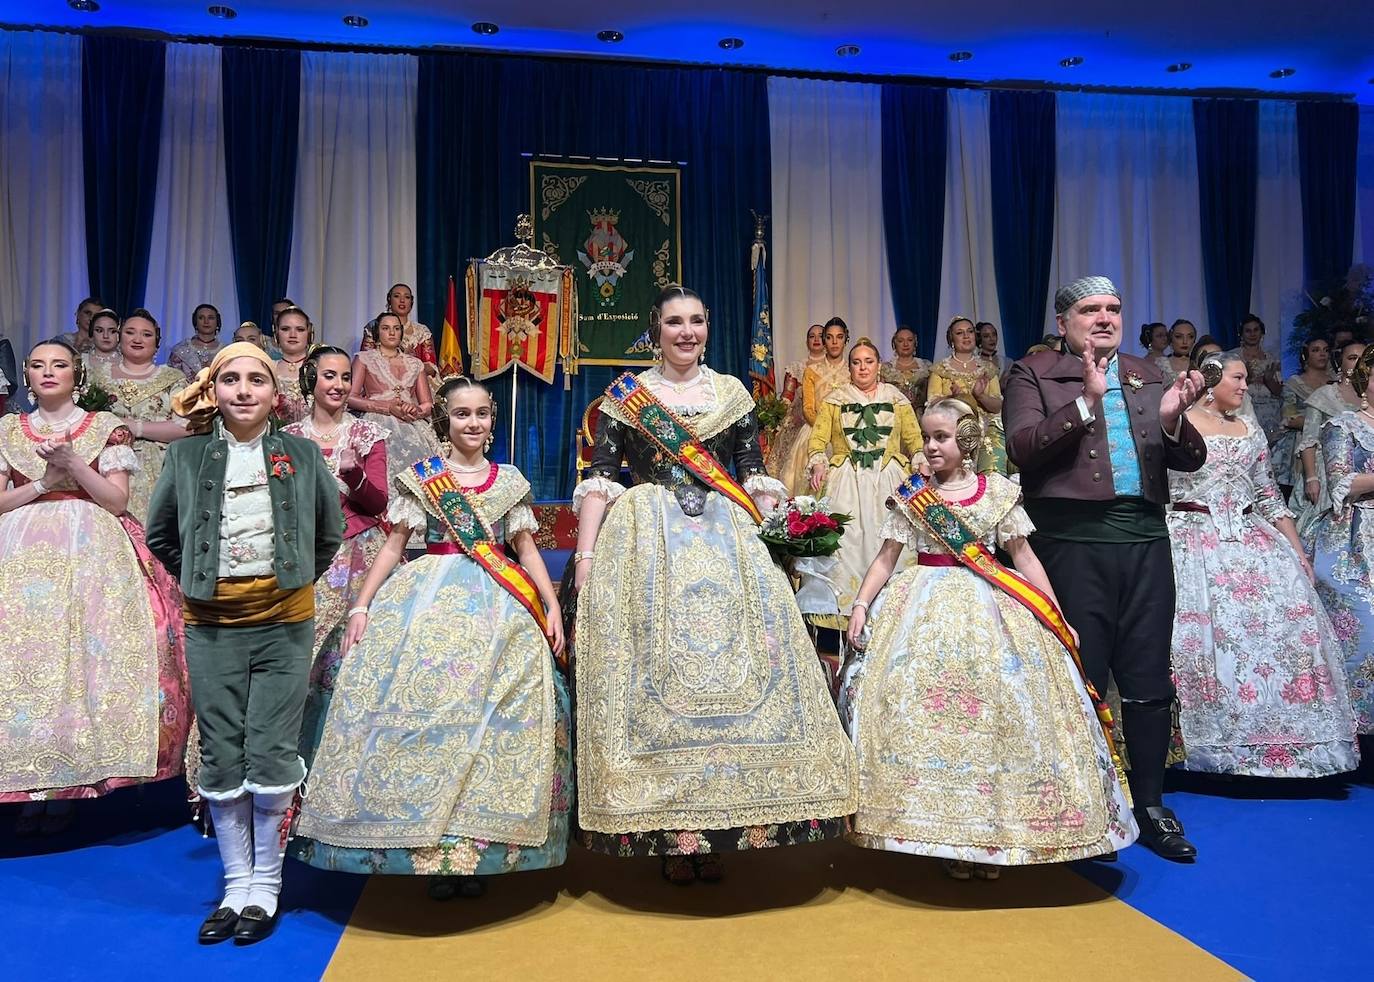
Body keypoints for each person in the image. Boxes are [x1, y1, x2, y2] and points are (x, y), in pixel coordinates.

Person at [572, 285, 857, 884]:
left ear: (708, 327)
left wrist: (785, 531)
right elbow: (601, 478)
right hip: (647, 543)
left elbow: (751, 473)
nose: (686, 332)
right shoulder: (628, 396)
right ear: (656, 330)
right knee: (659, 680)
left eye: (697, 320)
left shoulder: (731, 393)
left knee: (735, 671)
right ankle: (673, 832)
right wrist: (588, 554)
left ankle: (726, 820)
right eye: (674, 322)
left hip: (727, 542)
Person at [293, 376, 568, 899]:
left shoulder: (508, 479)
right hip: (428, 594)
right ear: (445, 421)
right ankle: (427, 849)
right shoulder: (423, 478)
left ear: (491, 421)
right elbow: (394, 548)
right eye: (462, 414)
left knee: (491, 719)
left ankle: (478, 846)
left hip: (497, 603)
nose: (473, 423)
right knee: (428, 715)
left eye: (482, 414)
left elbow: (526, 550)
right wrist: (362, 604)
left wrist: (551, 604)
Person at [841, 398, 1136, 878]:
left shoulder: (997, 493)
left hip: (991, 609)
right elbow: (886, 558)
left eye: (942, 438)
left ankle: (995, 835)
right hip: (921, 610)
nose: (931, 446)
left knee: (999, 714)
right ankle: (945, 834)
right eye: (928, 437)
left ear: (969, 442)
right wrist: (860, 604)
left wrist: (1056, 614)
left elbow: (1024, 558)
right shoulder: (913, 493)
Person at [1003, 275, 1207, 861]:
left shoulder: (1148, 372)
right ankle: (1086, 804)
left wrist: (1171, 420)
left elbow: (1184, 459)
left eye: (1113, 309)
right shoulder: (1034, 371)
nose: (1104, 318)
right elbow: (1021, 448)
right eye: (1090, 309)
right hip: (1070, 543)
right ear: (1065, 322)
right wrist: (1086, 402)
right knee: (1081, 675)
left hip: (1145, 540)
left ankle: (1150, 803)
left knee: (1147, 677)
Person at [145, 342, 342, 945]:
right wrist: (207, 584)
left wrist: (284, 583)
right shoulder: (183, 457)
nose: (244, 390)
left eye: (256, 379)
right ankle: (235, 885)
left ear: (273, 392)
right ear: (214, 389)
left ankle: (268, 886)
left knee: (272, 745)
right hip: (211, 625)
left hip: (285, 622)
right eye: (230, 379)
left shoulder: (303, 454)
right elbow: (161, 534)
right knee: (223, 748)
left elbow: (327, 535)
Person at [0, 340, 190, 833]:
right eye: (38, 365)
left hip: (91, 548)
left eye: (58, 364)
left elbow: (116, 501)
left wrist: (75, 466)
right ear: (25, 374)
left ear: (76, 374)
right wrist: (44, 481)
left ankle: (73, 778)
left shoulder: (105, 428)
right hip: (20, 549)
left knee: (85, 655)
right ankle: (26, 783)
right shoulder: (7, 429)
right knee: (26, 657)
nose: (47, 372)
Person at [1167, 352, 1357, 775]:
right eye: (1237, 378)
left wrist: (1296, 553)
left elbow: (1269, 495)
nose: (1245, 386)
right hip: (1194, 538)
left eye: (1246, 379)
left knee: (1287, 624)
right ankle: (1207, 745)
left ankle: (1288, 743)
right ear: (1211, 380)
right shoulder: (1180, 425)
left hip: (1252, 539)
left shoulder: (1248, 429)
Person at [282, 346, 390, 769]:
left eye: (346, 377)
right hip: (307, 555)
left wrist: (354, 473)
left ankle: (359, 758)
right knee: (301, 656)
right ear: (312, 379)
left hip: (361, 551)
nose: (339, 385)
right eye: (330, 376)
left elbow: (379, 500)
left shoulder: (368, 436)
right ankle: (299, 758)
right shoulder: (288, 437)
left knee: (361, 655)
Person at [807, 337, 923, 629]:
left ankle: (893, 616)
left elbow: (913, 439)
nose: (862, 368)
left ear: (878, 365)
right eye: (856, 362)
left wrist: (920, 460)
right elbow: (818, 440)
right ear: (849, 367)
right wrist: (819, 461)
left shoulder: (896, 397)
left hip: (889, 480)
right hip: (847, 481)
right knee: (848, 542)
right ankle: (845, 617)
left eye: (868, 361)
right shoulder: (836, 399)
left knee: (890, 539)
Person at [1309, 344, 1374, 735]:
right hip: (1357, 538)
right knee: (1366, 633)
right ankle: (1360, 734)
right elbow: (1341, 483)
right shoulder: (1344, 425)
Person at [93, 310, 192, 524]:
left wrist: (134, 428)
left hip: (158, 468)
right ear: (120, 337)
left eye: (146, 334)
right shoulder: (97, 375)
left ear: (157, 341)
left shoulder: (173, 378)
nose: (137, 339)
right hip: (106, 466)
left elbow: (186, 427)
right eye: (130, 332)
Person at [349, 311, 439, 486]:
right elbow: (351, 397)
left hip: (412, 423)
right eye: (385, 328)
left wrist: (417, 410)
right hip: (376, 422)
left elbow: (428, 403)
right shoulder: (364, 359)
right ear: (377, 333)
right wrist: (386, 407)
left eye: (396, 328)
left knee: (424, 473)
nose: (391, 333)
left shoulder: (416, 363)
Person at [1294, 340, 1366, 542]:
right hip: (1327, 471)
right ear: (1339, 362)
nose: (1359, 363)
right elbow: (1309, 439)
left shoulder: (1370, 395)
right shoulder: (1324, 395)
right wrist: (1311, 478)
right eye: (1352, 358)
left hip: (1365, 470)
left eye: (1364, 358)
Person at [926, 316, 1005, 472]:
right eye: (960, 333)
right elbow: (931, 405)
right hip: (951, 431)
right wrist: (952, 399)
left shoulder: (988, 369)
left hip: (985, 433)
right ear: (951, 339)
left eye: (970, 331)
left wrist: (980, 396)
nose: (966, 336)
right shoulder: (940, 369)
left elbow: (997, 406)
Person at [764, 322, 827, 493]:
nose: (816, 339)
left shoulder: (836, 368)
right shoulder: (797, 367)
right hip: (801, 423)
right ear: (807, 341)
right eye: (811, 336)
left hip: (829, 424)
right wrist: (777, 416)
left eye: (820, 336)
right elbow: (787, 396)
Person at [1274, 337, 1332, 500]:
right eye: (1316, 350)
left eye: (1326, 350)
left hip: (1331, 442)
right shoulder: (1295, 383)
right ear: (1306, 355)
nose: (1322, 354)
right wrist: (1323, 422)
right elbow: (1289, 417)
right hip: (1299, 443)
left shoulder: (1336, 382)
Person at [361, 283, 438, 384]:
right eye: (397, 296)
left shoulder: (421, 331)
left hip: (415, 384)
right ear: (389, 300)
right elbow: (365, 361)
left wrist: (411, 364)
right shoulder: (374, 326)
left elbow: (431, 368)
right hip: (380, 382)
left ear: (411, 302)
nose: (402, 300)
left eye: (407, 297)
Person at [1238, 315, 1283, 443]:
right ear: (1241, 334)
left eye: (1256, 330)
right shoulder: (1234, 356)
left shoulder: (1271, 358)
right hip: (1244, 407)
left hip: (1270, 411)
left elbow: (1279, 391)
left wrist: (1268, 380)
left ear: (1262, 332)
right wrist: (1248, 378)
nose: (1252, 334)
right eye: (1248, 330)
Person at [271, 306, 313, 425]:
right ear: (276, 333)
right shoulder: (268, 369)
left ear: (309, 333)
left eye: (300, 329)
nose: (293, 335)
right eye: (285, 329)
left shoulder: (321, 368)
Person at [880, 324, 932, 410]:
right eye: (901, 341)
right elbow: (881, 396)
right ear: (894, 344)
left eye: (910, 340)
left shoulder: (926, 366)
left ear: (915, 343)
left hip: (922, 415)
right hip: (895, 414)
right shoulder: (886, 368)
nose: (905, 344)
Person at [168, 304, 224, 381]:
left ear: (217, 322)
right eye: (201, 318)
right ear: (195, 322)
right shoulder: (180, 350)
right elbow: (171, 380)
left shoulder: (225, 351)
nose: (206, 322)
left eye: (210, 318)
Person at [1159, 318, 1197, 386]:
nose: (1185, 341)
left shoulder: (1198, 365)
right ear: (1171, 338)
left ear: (1194, 340)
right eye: (1178, 337)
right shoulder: (1160, 365)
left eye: (1190, 337)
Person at [83, 307, 121, 374]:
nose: (105, 336)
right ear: (91, 333)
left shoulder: (128, 363)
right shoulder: (81, 361)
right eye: (99, 330)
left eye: (112, 331)